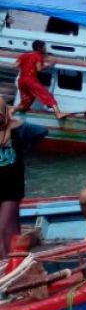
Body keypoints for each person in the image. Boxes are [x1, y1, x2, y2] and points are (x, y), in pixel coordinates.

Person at [14, 41, 65, 118]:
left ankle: (11, 110)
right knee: (47, 95)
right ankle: (58, 113)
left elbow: (15, 65)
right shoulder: (38, 56)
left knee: (25, 103)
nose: (45, 48)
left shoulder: (24, 55)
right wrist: (49, 65)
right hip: (31, 79)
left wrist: (24, 69)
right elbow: (39, 69)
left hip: (21, 79)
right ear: (39, 48)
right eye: (44, 47)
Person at [0, 102, 25, 259]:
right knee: (7, 231)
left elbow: (42, 131)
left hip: (12, 190)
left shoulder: (16, 132)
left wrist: (10, 126)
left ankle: (6, 267)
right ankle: (8, 264)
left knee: (3, 229)